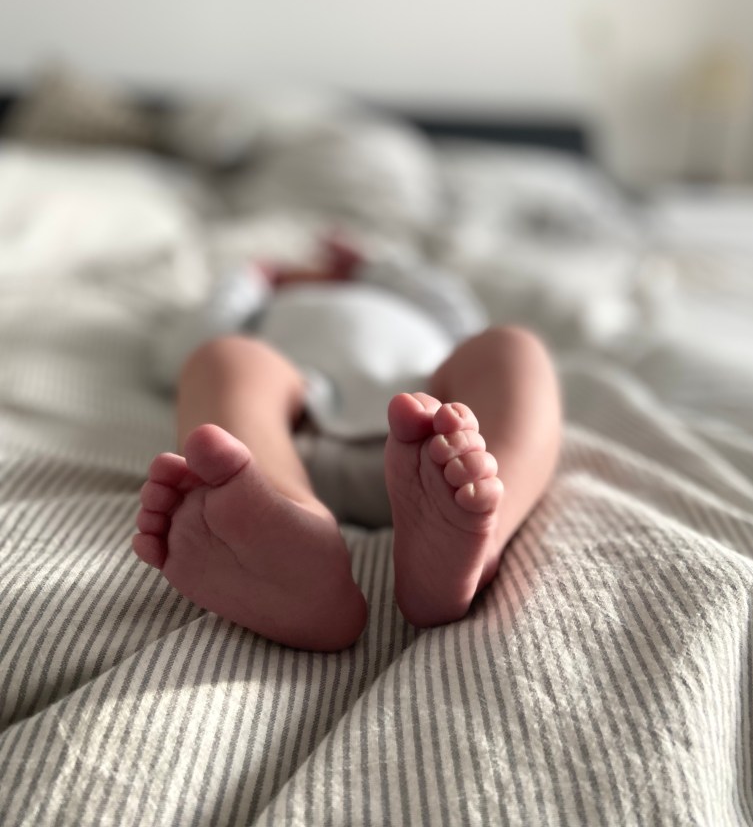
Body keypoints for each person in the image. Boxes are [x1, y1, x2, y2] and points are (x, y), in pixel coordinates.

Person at [132, 235, 561, 651]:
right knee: (224, 355)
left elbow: (463, 316)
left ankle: (481, 537)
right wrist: (250, 278)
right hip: (287, 446)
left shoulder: (412, 306)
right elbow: (179, 352)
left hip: (436, 448)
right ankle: (290, 536)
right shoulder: (264, 308)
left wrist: (372, 266)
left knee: (511, 346)